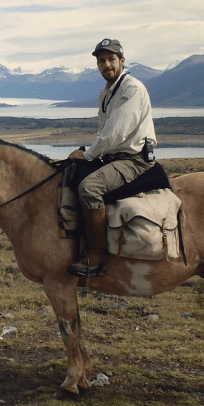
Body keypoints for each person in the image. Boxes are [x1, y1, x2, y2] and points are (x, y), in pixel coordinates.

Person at [66, 38, 156, 277]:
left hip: (134, 159)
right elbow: (103, 130)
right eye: (101, 61)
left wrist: (87, 154)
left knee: (89, 187)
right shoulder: (106, 92)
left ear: (122, 61)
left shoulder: (131, 89)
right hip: (116, 156)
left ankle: (97, 255)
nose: (106, 64)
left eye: (111, 59)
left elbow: (115, 132)